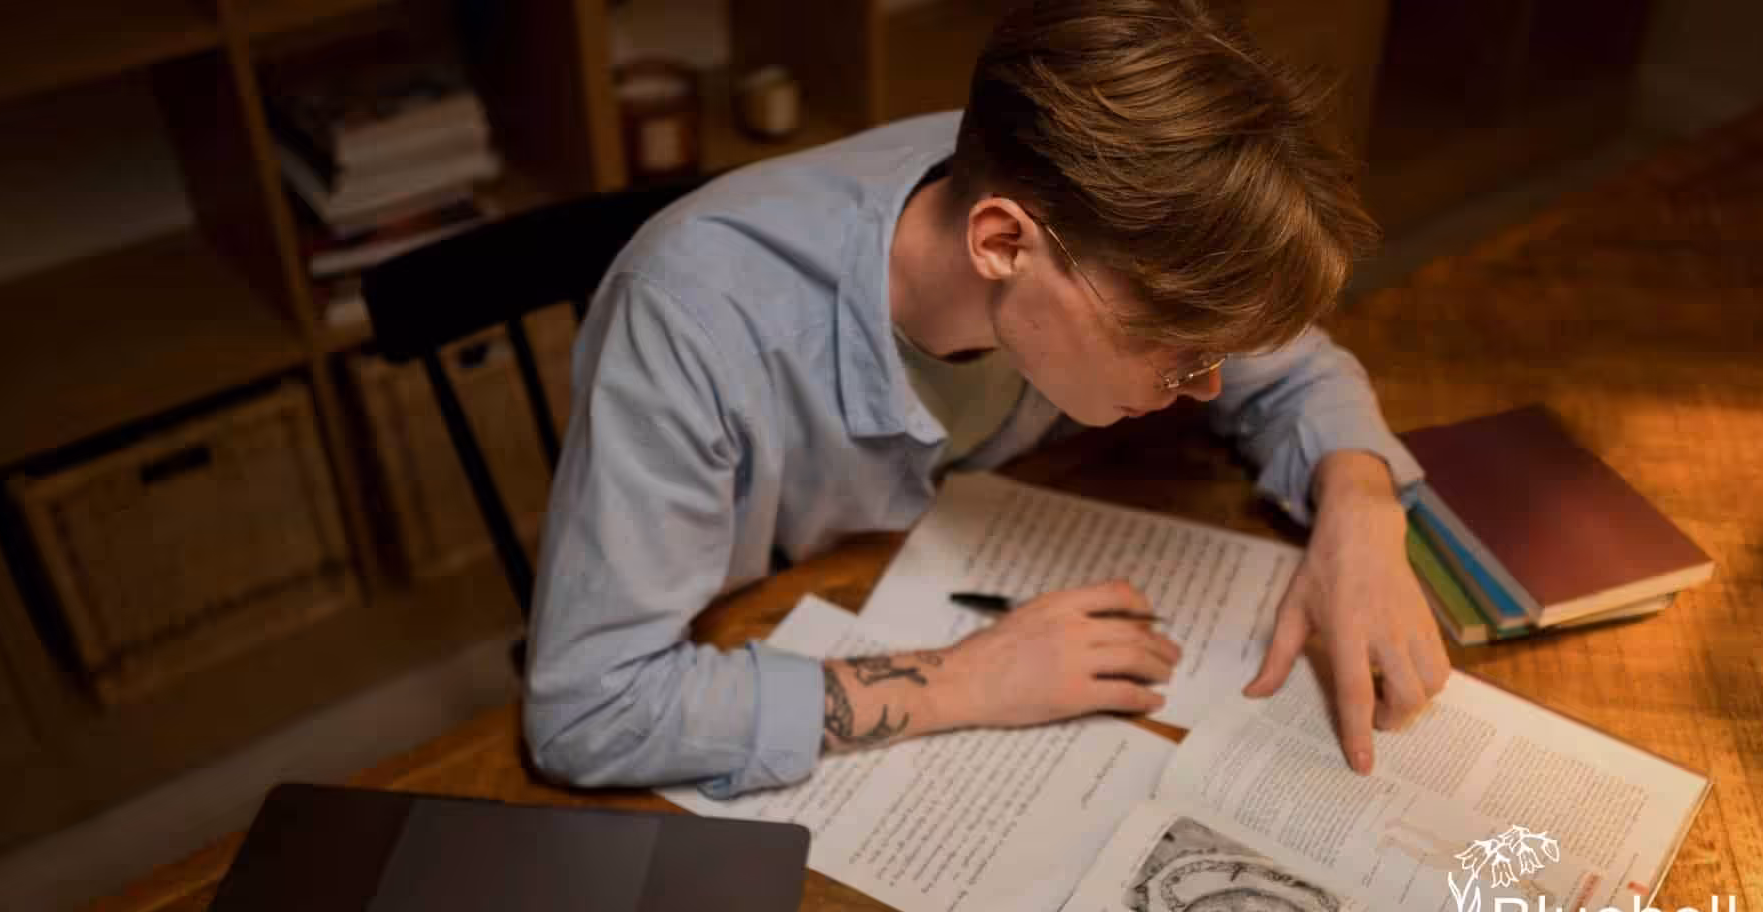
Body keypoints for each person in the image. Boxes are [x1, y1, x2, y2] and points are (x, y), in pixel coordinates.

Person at [524, 0, 1449, 799]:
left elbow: (1291, 363)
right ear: (1002, 243)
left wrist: (1361, 510)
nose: (1208, 383)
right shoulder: (692, 322)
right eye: (1176, 346)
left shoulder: (1087, 195)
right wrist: (965, 683)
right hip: (784, 629)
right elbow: (588, 708)